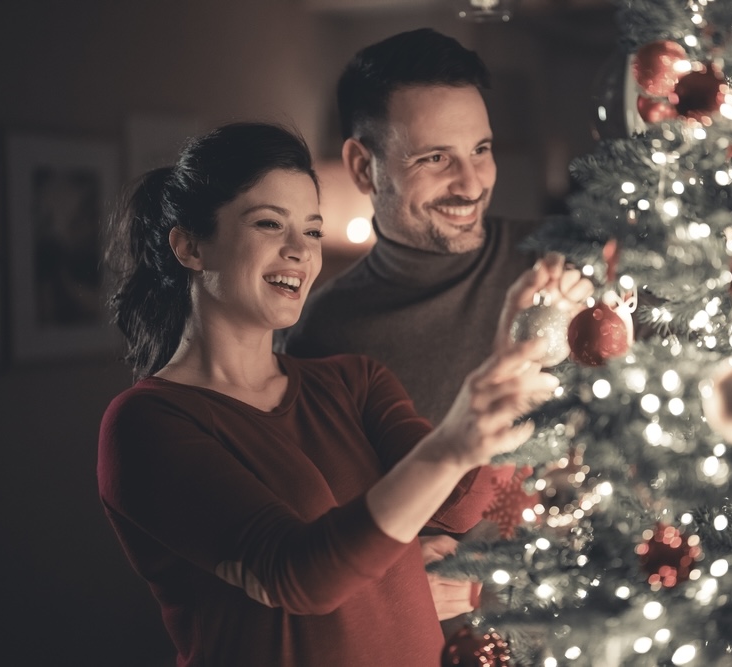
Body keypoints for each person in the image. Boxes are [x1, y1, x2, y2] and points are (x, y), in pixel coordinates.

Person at [97, 121, 564, 666]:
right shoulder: (146, 423)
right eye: (270, 224)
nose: (300, 251)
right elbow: (298, 575)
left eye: (313, 231)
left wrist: (519, 359)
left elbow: (454, 505)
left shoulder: (351, 381)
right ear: (190, 246)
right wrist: (404, 550)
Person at [280, 28, 593, 425]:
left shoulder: (564, 252)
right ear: (363, 167)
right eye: (435, 159)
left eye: (481, 149)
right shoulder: (326, 335)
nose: (472, 184)